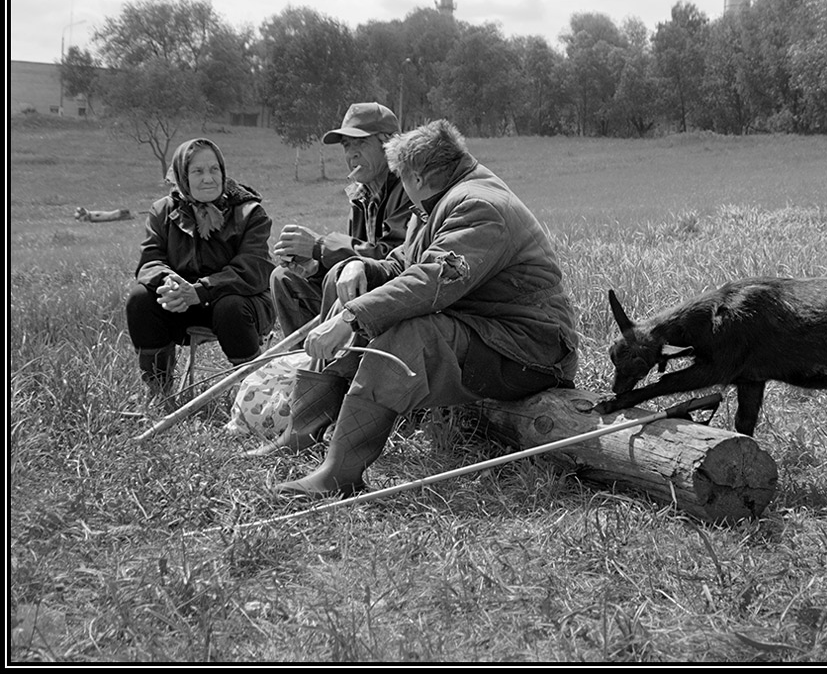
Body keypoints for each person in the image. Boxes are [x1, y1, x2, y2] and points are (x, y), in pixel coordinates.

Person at [271, 119, 579, 500]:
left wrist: (351, 318)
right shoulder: (441, 202)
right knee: (350, 286)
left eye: (401, 178)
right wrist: (360, 267)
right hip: (489, 332)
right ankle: (302, 433)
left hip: (530, 350)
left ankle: (340, 473)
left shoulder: (480, 206)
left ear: (416, 178)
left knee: (410, 334)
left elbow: (431, 280)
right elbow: (404, 265)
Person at [126, 137, 276, 405]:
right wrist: (170, 282)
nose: (208, 178)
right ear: (183, 176)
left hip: (241, 302)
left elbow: (252, 269)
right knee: (140, 299)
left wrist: (201, 290)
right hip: (184, 303)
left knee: (230, 306)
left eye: (214, 169)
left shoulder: (250, 213)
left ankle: (255, 393)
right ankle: (159, 391)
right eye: (197, 171)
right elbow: (150, 261)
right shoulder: (163, 211)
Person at [270, 102, 416, 336]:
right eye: (347, 146)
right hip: (365, 290)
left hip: (397, 300)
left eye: (361, 143)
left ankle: (332, 366)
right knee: (284, 278)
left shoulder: (410, 188)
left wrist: (320, 246)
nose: (351, 154)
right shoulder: (360, 194)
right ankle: (308, 363)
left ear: (389, 145)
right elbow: (356, 257)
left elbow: (394, 260)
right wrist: (314, 265)